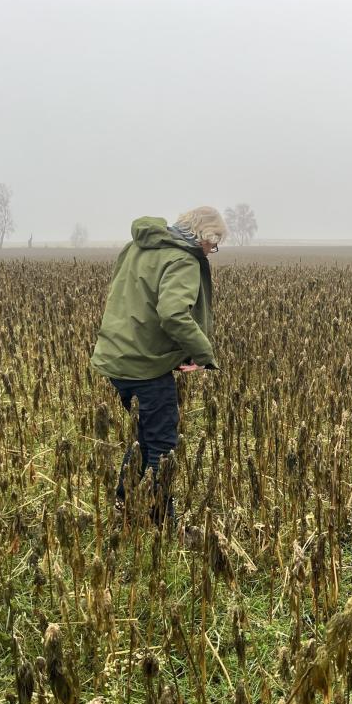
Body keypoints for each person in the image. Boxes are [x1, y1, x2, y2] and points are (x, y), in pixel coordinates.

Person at [91, 207, 226, 524]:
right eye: (214, 243)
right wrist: (204, 353)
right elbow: (173, 314)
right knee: (163, 446)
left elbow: (135, 301)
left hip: (116, 358)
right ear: (204, 236)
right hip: (144, 367)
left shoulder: (138, 246)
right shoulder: (183, 259)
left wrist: (175, 352)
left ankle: (122, 507)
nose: (212, 251)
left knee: (145, 438)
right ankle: (161, 522)